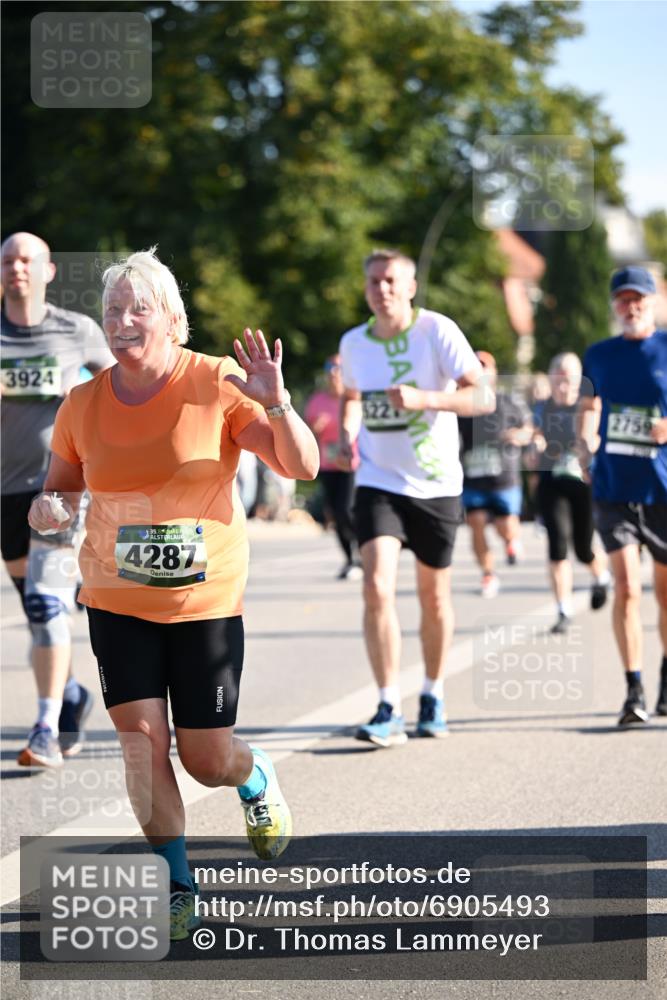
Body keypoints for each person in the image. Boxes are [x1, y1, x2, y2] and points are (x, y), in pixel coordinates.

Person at [28, 248, 319, 940]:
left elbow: (299, 464)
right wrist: (47, 512)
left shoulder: (215, 382)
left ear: (171, 319)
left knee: (205, 758)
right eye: (112, 312)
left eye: (139, 309)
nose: (123, 322)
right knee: (139, 743)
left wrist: (274, 399)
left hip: (205, 600)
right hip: (114, 597)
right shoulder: (83, 404)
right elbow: (57, 492)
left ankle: (252, 776)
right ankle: (176, 882)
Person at [338, 248, 491, 746]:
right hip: (380, 480)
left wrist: (427, 399)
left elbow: (482, 396)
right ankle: (387, 705)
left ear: (410, 287)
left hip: (436, 483)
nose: (380, 289)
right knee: (377, 586)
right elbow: (354, 397)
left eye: (389, 281)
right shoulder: (354, 342)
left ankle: (433, 693)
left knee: (434, 596)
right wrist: (346, 432)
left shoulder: (437, 332)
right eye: (373, 282)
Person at [1, 232, 114, 767]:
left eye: (27, 259)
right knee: (34, 607)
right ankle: (70, 695)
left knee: (48, 603)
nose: (16, 267)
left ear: (48, 271)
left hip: (61, 488)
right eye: (7, 260)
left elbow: (118, 392)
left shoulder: (77, 331)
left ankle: (45, 726)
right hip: (5, 491)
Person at [578, 266, 667, 725]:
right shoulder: (598, 355)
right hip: (614, 486)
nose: (630, 306)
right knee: (628, 587)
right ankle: (633, 689)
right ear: (614, 304)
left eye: (639, 299)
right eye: (622, 299)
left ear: (652, 301)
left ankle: (666, 674)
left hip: (662, 488)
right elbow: (589, 408)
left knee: (666, 595)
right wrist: (583, 443)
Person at [534, 352, 610, 633]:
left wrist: (589, 444)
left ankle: (601, 575)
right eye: (559, 375)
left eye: (569, 375)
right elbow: (534, 432)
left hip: (583, 484)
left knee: (583, 548)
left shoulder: (587, 406)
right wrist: (535, 443)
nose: (564, 381)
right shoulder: (542, 408)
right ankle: (563, 610)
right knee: (557, 546)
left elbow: (597, 436)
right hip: (552, 483)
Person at [459, 350, 532, 598]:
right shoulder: (462, 403)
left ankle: (512, 541)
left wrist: (517, 436)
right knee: (476, 523)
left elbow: (528, 430)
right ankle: (488, 573)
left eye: (485, 366)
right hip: (473, 476)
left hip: (504, 478)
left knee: (506, 526)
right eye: (475, 367)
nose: (480, 371)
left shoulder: (509, 401)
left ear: (494, 372)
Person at [305, 354, 361, 579]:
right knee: (336, 514)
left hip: (352, 464)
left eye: (339, 368)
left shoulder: (353, 398)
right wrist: (315, 428)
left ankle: (364, 552)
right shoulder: (317, 400)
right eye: (331, 368)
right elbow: (307, 432)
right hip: (327, 464)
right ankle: (350, 559)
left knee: (347, 509)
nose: (334, 373)